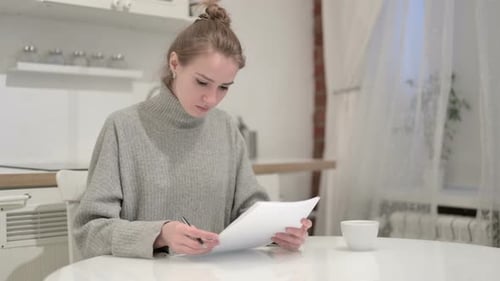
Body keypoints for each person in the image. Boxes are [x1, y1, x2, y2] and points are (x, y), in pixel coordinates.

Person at [73, 2, 312, 259]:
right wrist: (160, 234)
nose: (211, 98)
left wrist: (280, 231)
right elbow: (90, 232)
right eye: (202, 82)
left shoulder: (226, 128)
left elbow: (250, 211)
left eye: (224, 87)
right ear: (175, 64)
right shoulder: (123, 127)